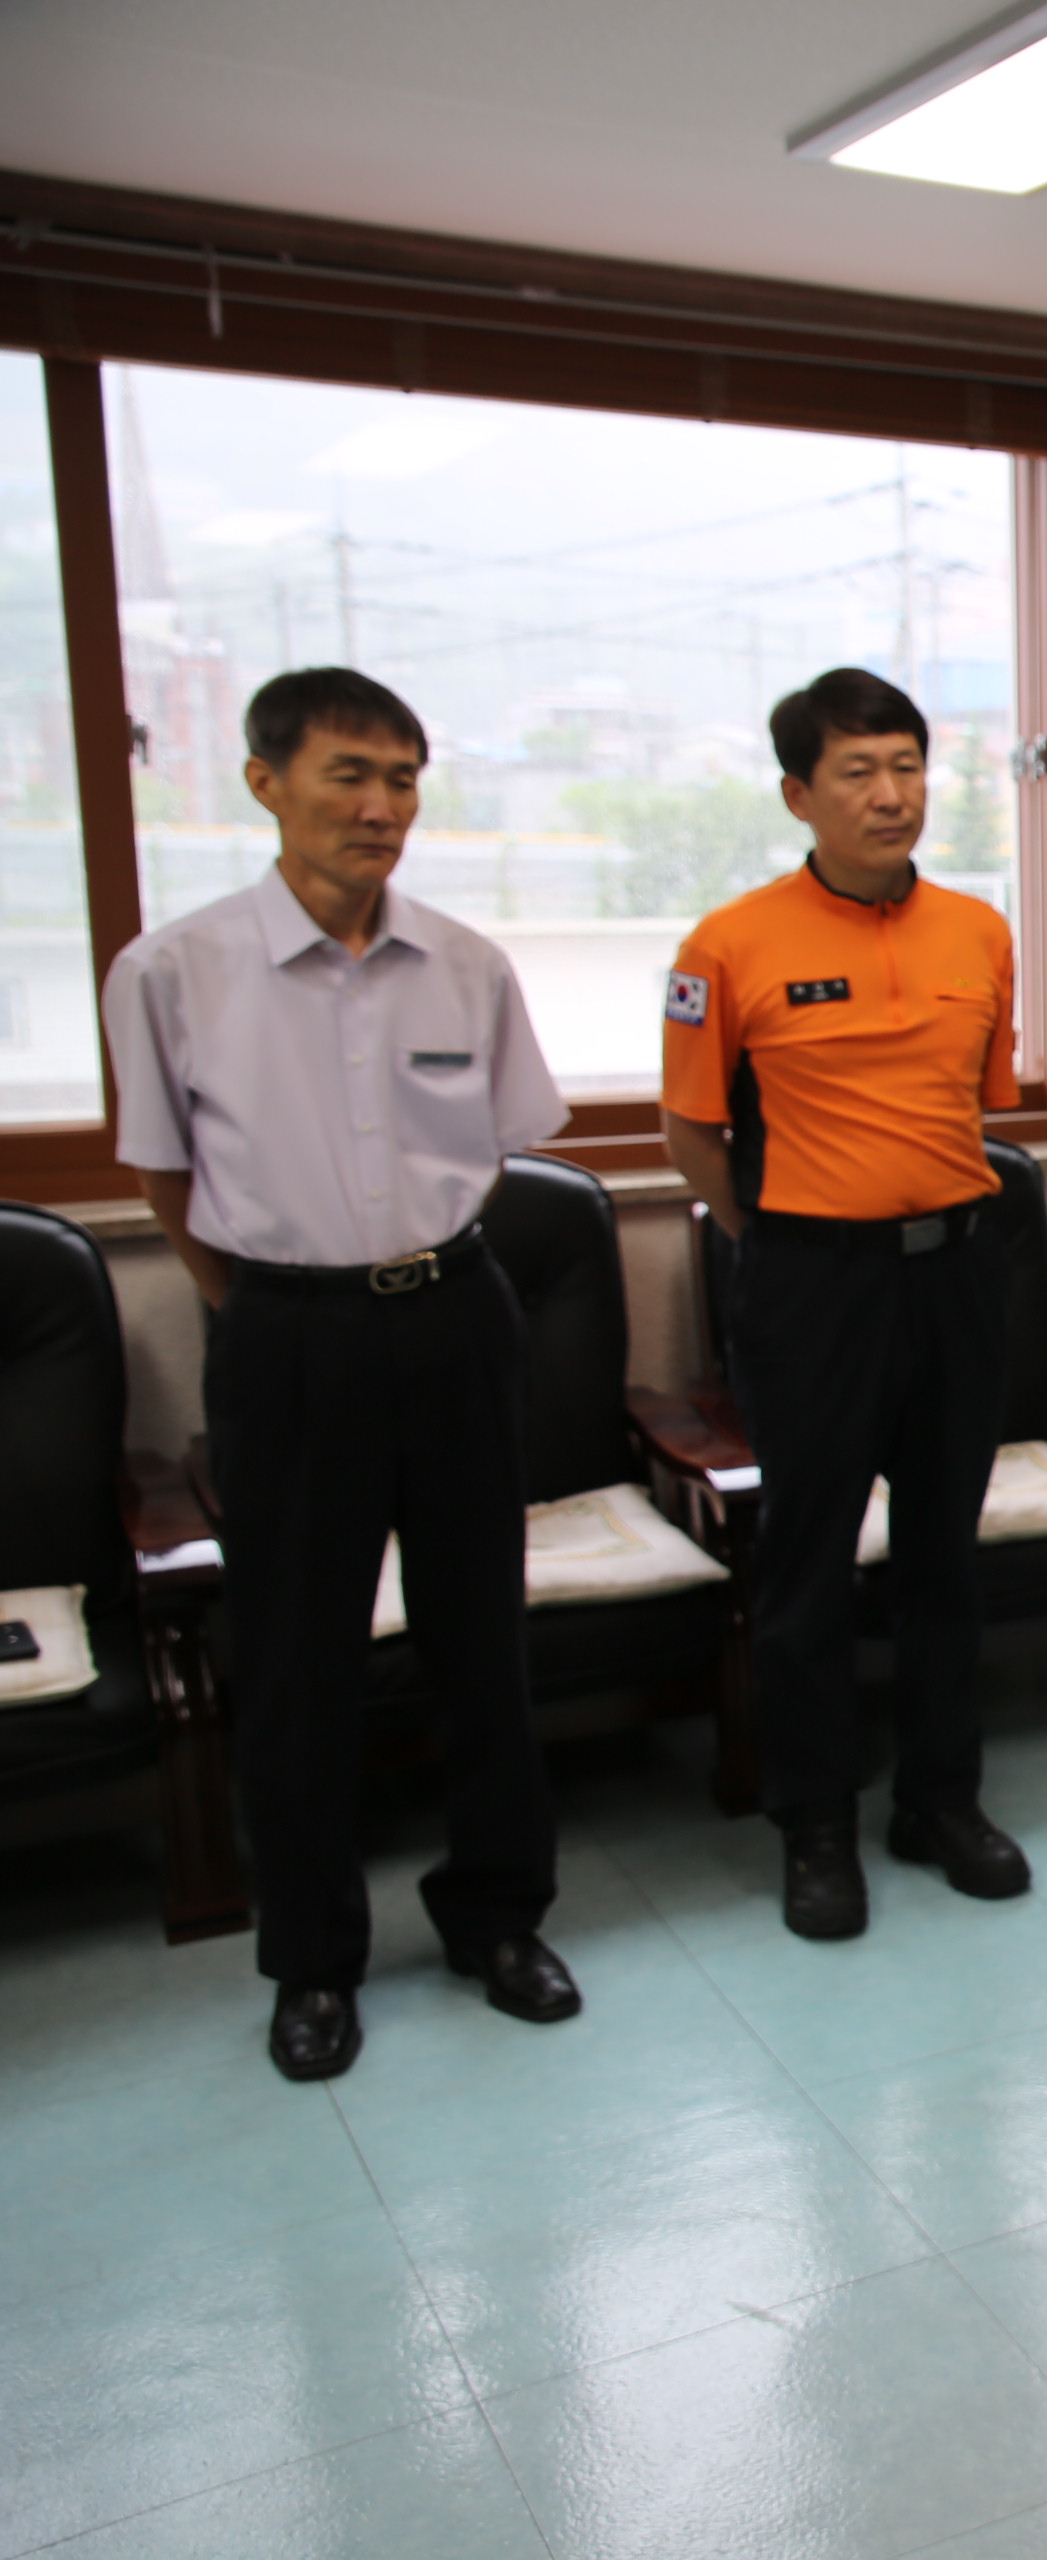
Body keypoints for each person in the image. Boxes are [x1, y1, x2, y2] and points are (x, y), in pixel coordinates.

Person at [105, 667, 579, 2082]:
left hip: (455, 1317)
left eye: (403, 780)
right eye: (349, 774)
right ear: (265, 782)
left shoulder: (467, 964)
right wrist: (265, 1305)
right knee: (297, 1660)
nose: (380, 807)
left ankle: (499, 1916)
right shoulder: (174, 972)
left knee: (481, 1639)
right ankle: (312, 1961)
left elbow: (501, 1141)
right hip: (289, 1335)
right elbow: (163, 1174)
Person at [659, 668, 1028, 1941]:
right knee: (807, 1566)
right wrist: (784, 1239)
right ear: (798, 794)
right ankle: (814, 1823)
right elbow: (693, 1135)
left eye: (908, 766)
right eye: (859, 771)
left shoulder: (978, 931)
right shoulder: (728, 945)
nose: (890, 794)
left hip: (958, 1273)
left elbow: (978, 1102)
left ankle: (940, 1800)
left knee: (944, 1559)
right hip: (811, 1286)